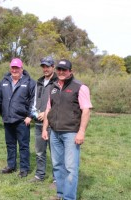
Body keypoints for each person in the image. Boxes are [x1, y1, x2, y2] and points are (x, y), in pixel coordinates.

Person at [42, 59, 92, 200]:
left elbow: (86, 110)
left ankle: (69, 198)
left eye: (64, 70)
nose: (61, 72)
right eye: (59, 69)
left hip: (71, 133)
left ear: (71, 71)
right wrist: (45, 128)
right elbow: (48, 108)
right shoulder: (53, 87)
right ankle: (60, 195)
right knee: (57, 165)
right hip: (54, 132)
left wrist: (81, 131)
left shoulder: (80, 87)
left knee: (70, 168)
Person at [0, 58, 36, 178]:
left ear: (22, 69)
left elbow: (34, 100)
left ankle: (24, 169)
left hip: (22, 120)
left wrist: (30, 116)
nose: (14, 70)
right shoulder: (4, 81)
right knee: (10, 144)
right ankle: (11, 166)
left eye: (17, 68)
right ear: (10, 68)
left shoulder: (30, 82)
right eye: (13, 67)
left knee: (23, 145)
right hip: (7, 118)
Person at [29, 56, 58, 184]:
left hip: (53, 124)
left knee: (55, 154)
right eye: (43, 66)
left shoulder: (58, 82)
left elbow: (58, 103)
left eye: (48, 66)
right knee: (40, 152)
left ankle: (57, 179)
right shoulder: (39, 82)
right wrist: (35, 113)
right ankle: (39, 176)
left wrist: (46, 114)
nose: (45, 69)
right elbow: (34, 102)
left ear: (53, 67)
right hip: (39, 123)